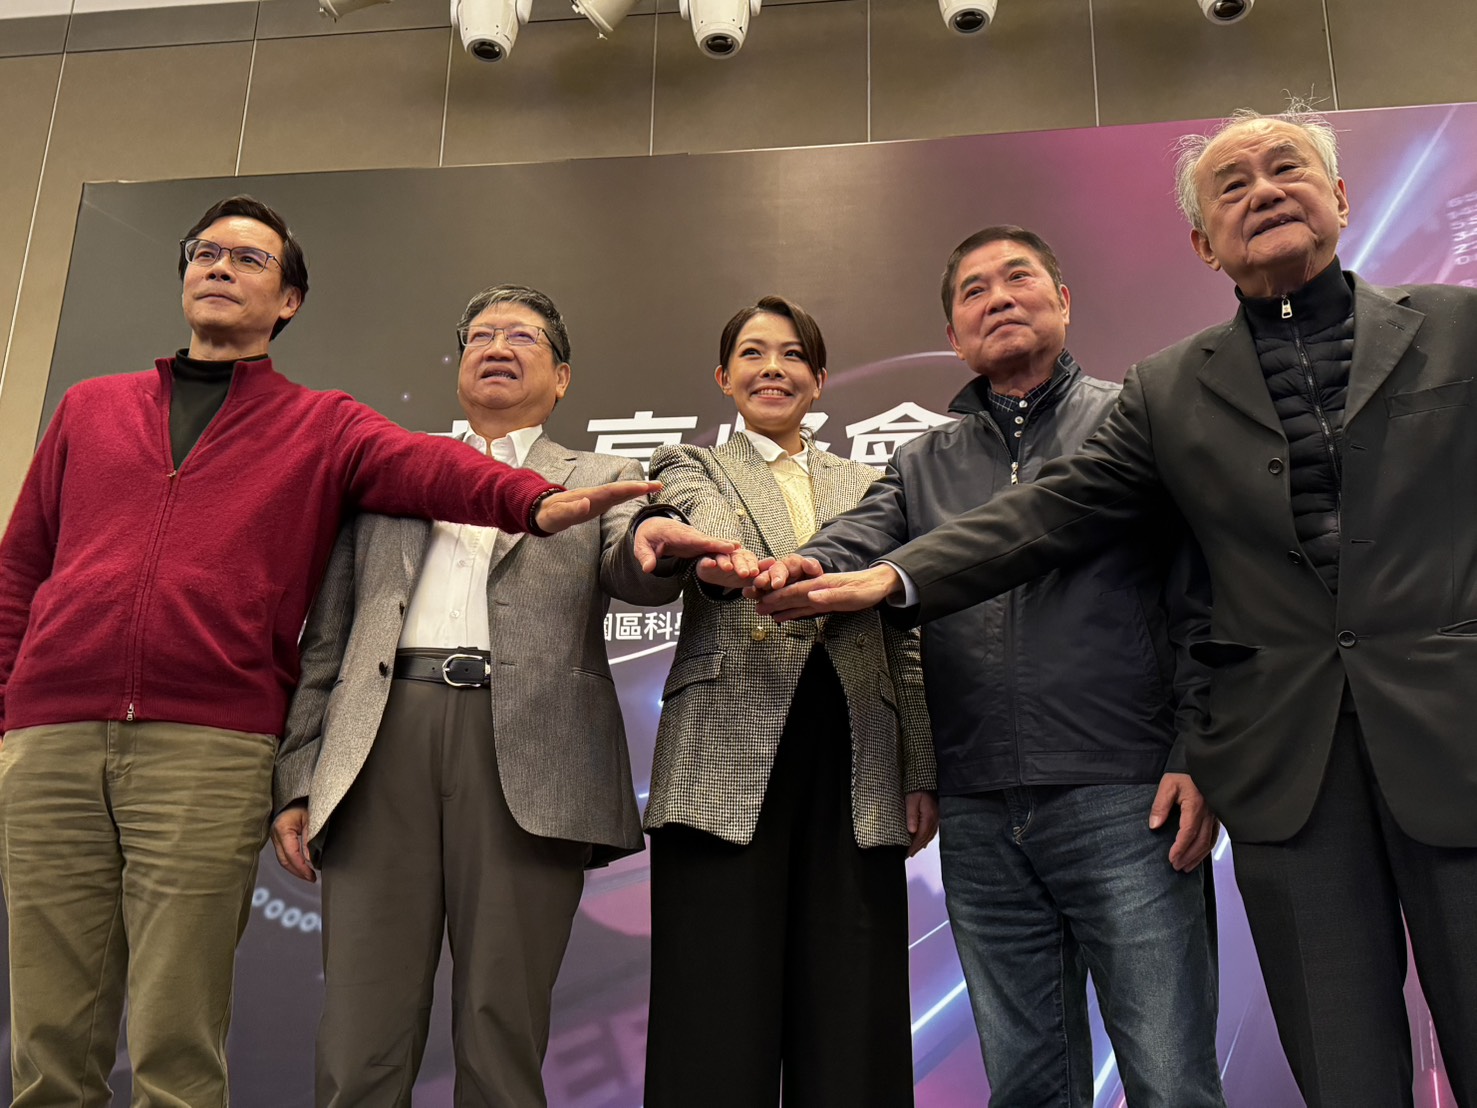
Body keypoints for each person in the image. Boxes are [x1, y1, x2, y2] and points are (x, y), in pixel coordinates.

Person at [753, 108, 1477, 1108]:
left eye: (1286, 169)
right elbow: (1045, 513)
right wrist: (890, 578)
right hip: (1281, 772)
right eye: (1231, 186)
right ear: (1202, 243)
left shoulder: (1456, 327)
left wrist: (1186, 745)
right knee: (1340, 1068)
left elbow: (1182, 592)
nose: (1263, 191)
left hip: (1443, 738)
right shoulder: (1170, 390)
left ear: (1341, 198)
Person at [0, 197, 655, 1108]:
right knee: (55, 1032)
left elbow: (460, 480)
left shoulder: (333, 430)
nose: (219, 267)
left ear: (290, 300)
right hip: (79, 739)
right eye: (206, 252)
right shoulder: (89, 408)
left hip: (243, 744)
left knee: (185, 1032)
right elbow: (21, 570)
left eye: (249, 259)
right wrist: (13, 715)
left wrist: (535, 502)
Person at [785, 226, 1224, 1106]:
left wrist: (1197, 751)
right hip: (978, 808)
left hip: (1125, 793)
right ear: (953, 336)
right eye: (972, 291)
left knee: (1170, 1077)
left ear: (1063, 300)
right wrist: (789, 570)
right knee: (1024, 1084)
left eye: (1017, 277)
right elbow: (850, 542)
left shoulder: (1135, 421)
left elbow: (1205, 598)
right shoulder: (921, 460)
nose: (997, 298)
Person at [268, 284, 728, 1107]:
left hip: (530, 754)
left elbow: (632, 563)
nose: (497, 347)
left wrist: (657, 549)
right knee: (361, 1029)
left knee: (501, 1024)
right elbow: (327, 640)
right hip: (378, 747)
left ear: (561, 377)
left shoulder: (603, 476)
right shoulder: (387, 470)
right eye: (480, 335)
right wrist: (298, 777)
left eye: (522, 336)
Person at [636, 295, 937, 1108]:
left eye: (793, 354)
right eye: (753, 353)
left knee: (853, 1008)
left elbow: (906, 637)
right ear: (723, 378)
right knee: (712, 1012)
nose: (773, 369)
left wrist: (920, 768)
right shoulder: (688, 464)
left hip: (855, 750)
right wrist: (721, 563)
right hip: (722, 758)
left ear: (820, 379)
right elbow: (697, 527)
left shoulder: (873, 483)